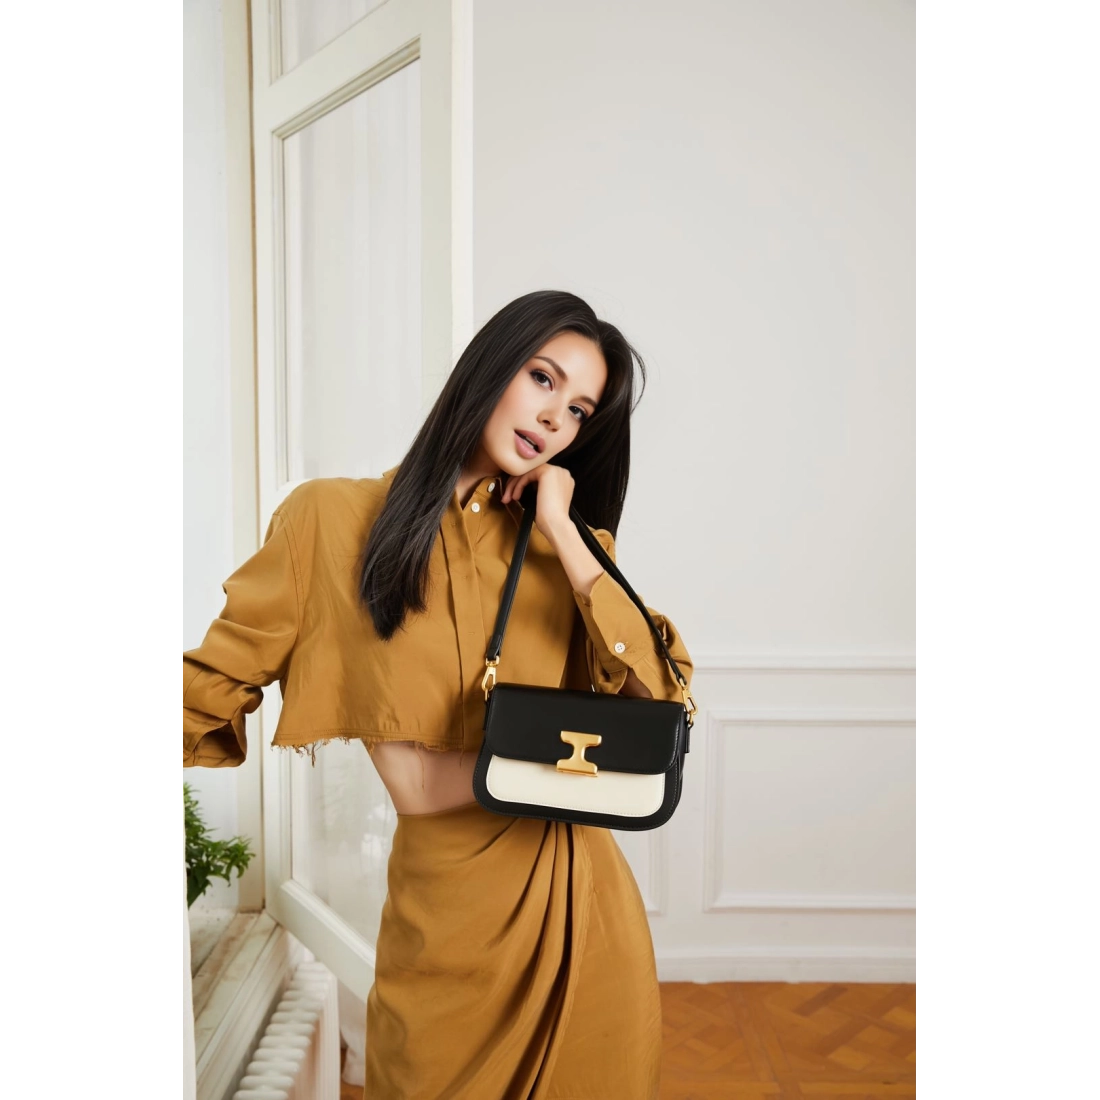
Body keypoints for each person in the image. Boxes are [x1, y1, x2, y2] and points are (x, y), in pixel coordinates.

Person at [180, 289, 695, 1099]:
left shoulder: (566, 551)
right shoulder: (328, 521)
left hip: (574, 911)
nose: (554, 417)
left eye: (579, 410)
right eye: (542, 378)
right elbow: (210, 684)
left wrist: (566, 534)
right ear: (491, 367)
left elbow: (661, 694)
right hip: (438, 920)